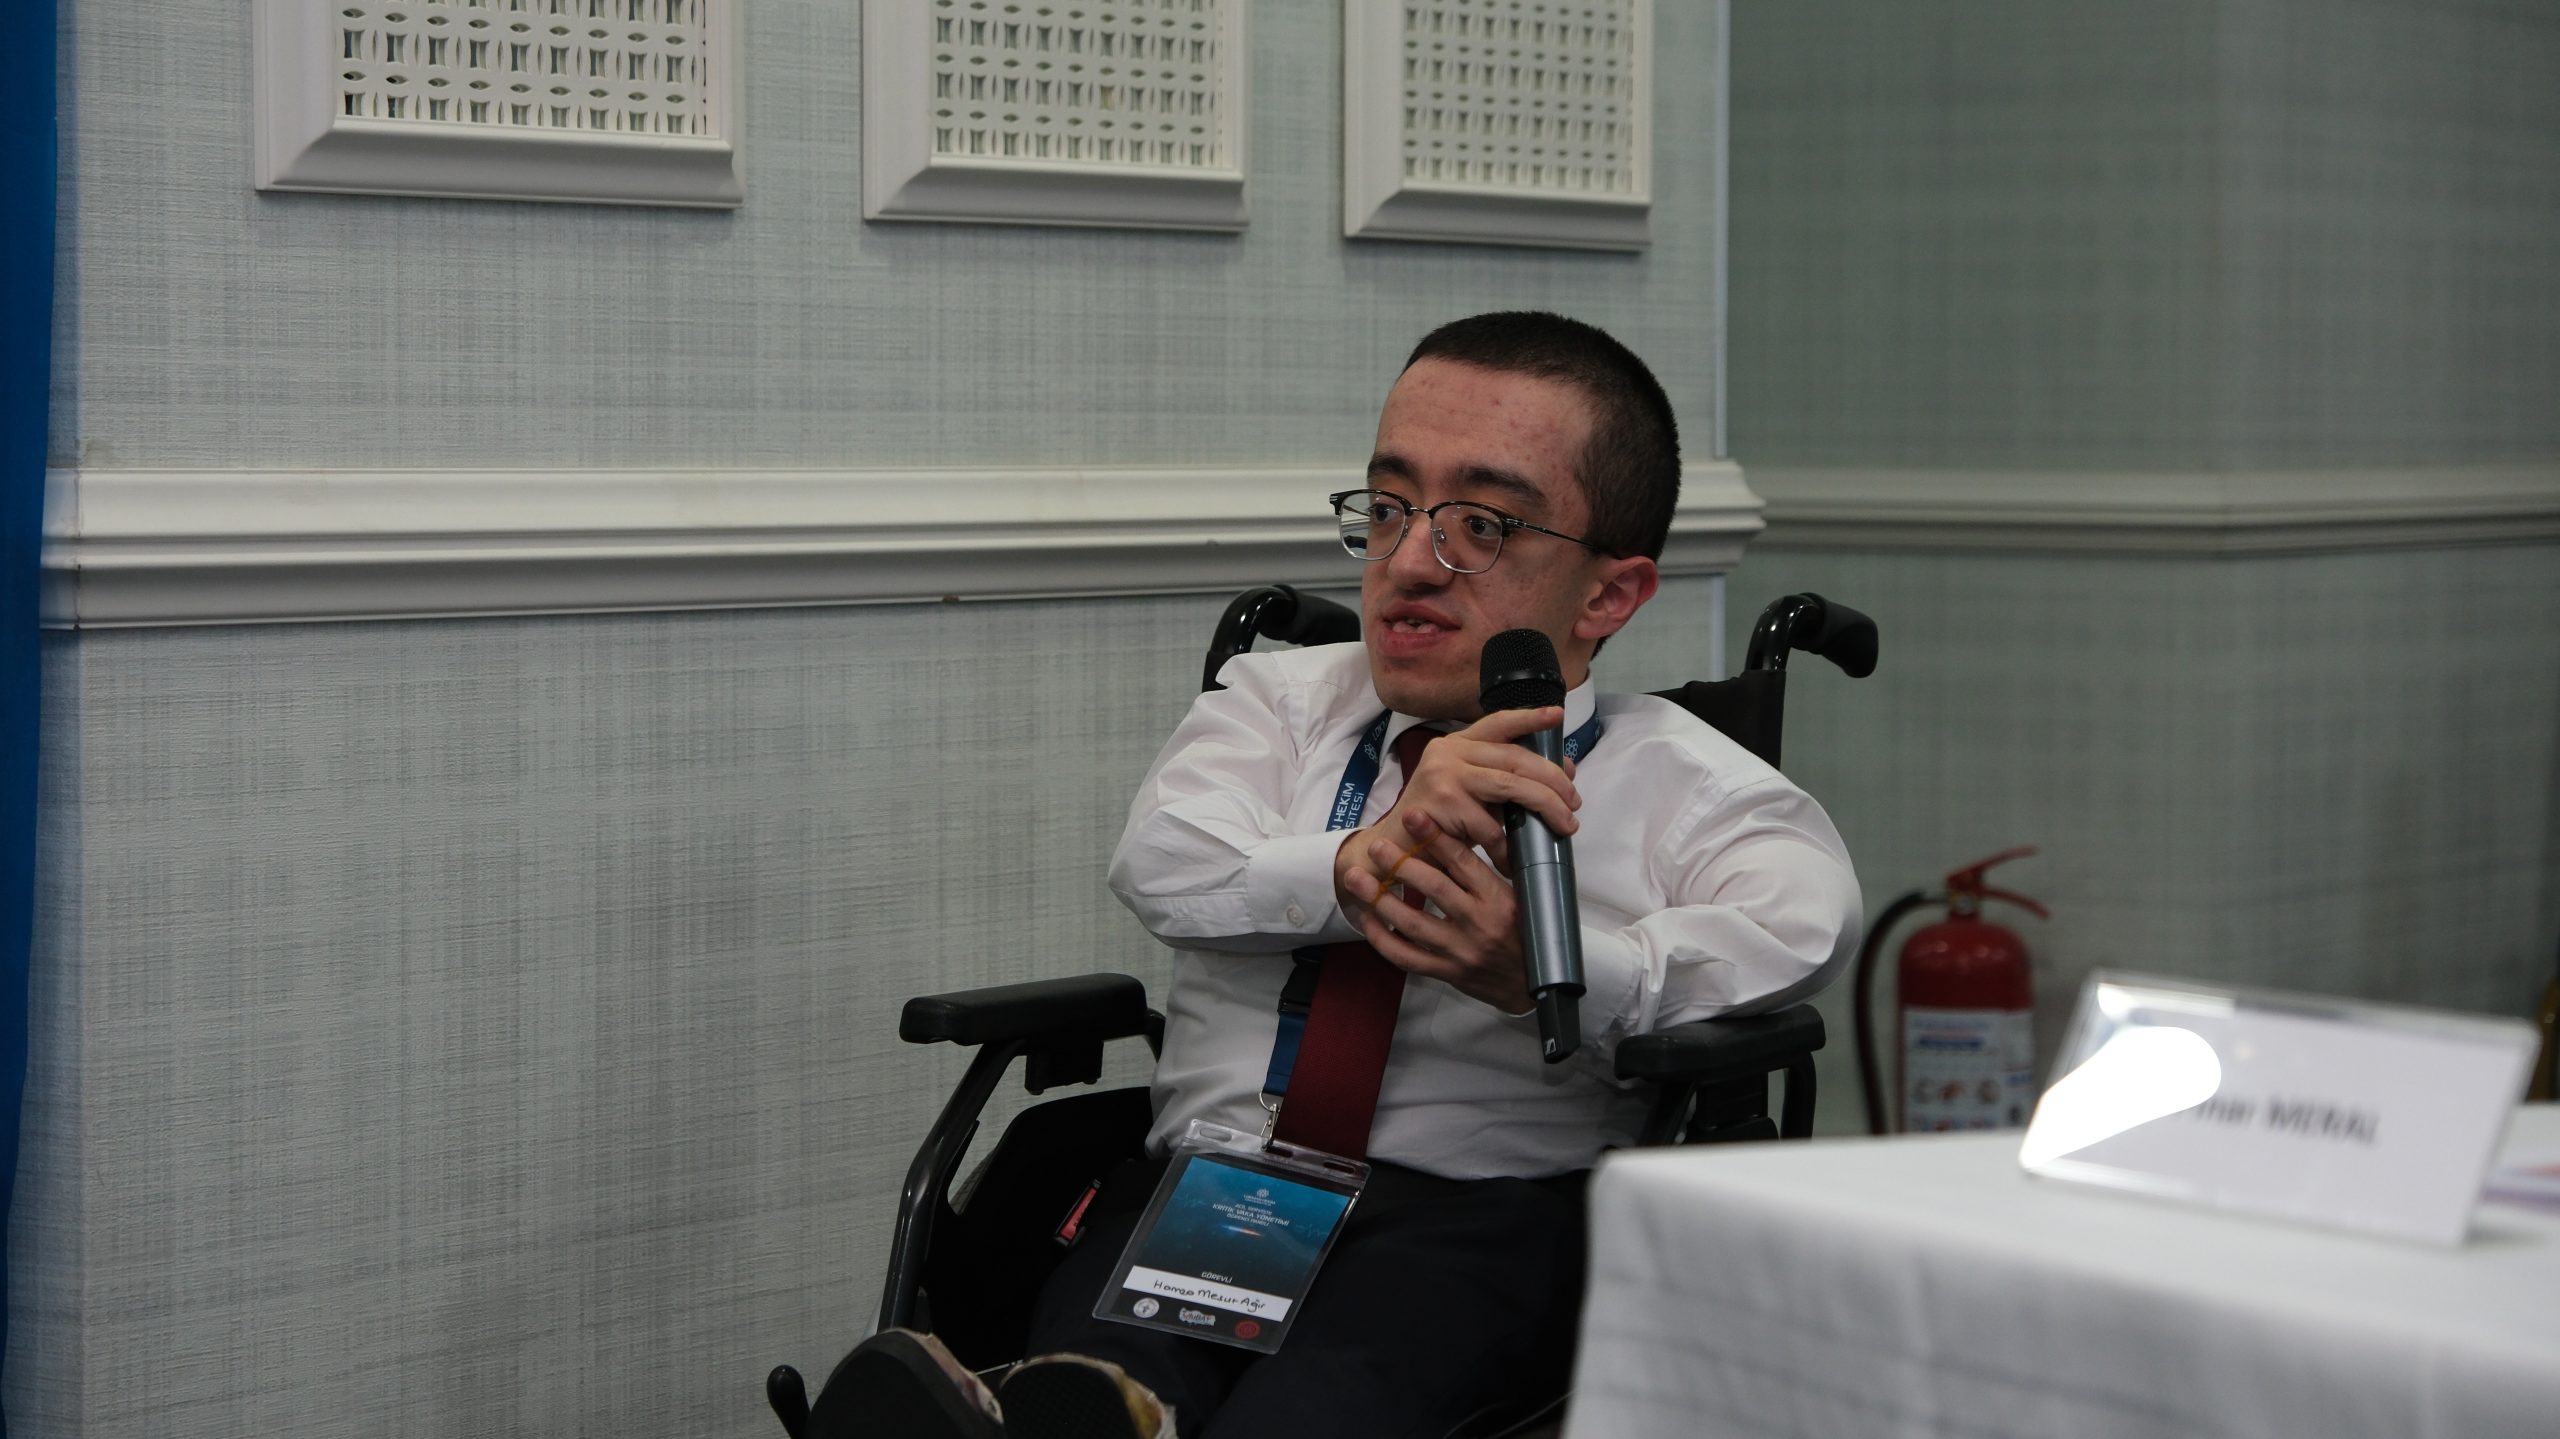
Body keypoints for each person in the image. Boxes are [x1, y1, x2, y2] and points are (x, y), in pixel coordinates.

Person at [819, 313, 1861, 1439]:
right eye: (1391, 506)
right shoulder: (1280, 704)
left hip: (1475, 1217)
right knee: (1104, 1376)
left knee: (1316, 1406)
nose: (1408, 562)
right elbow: (1161, 860)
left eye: (1481, 525)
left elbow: (1804, 920)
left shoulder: (1685, 785)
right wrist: (1358, 860)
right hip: (1227, 1187)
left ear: (1608, 595)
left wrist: (1552, 970)